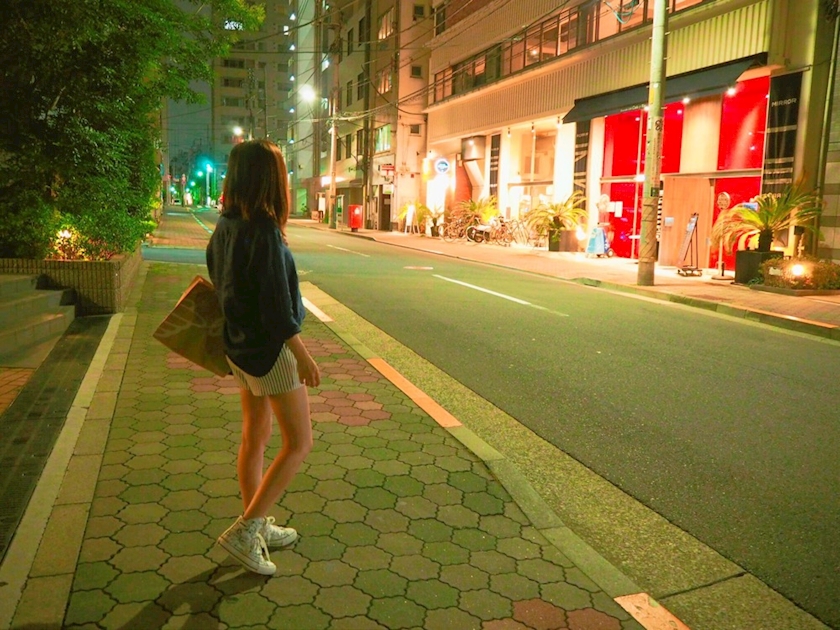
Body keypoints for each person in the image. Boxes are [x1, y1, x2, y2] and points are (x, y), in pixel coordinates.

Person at [206, 139, 321, 575]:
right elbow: (278, 310)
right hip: (271, 352)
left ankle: (255, 520)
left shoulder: (225, 226)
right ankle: (247, 529)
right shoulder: (266, 232)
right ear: (270, 179)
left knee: (254, 437)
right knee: (299, 442)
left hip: (238, 348)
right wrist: (303, 356)